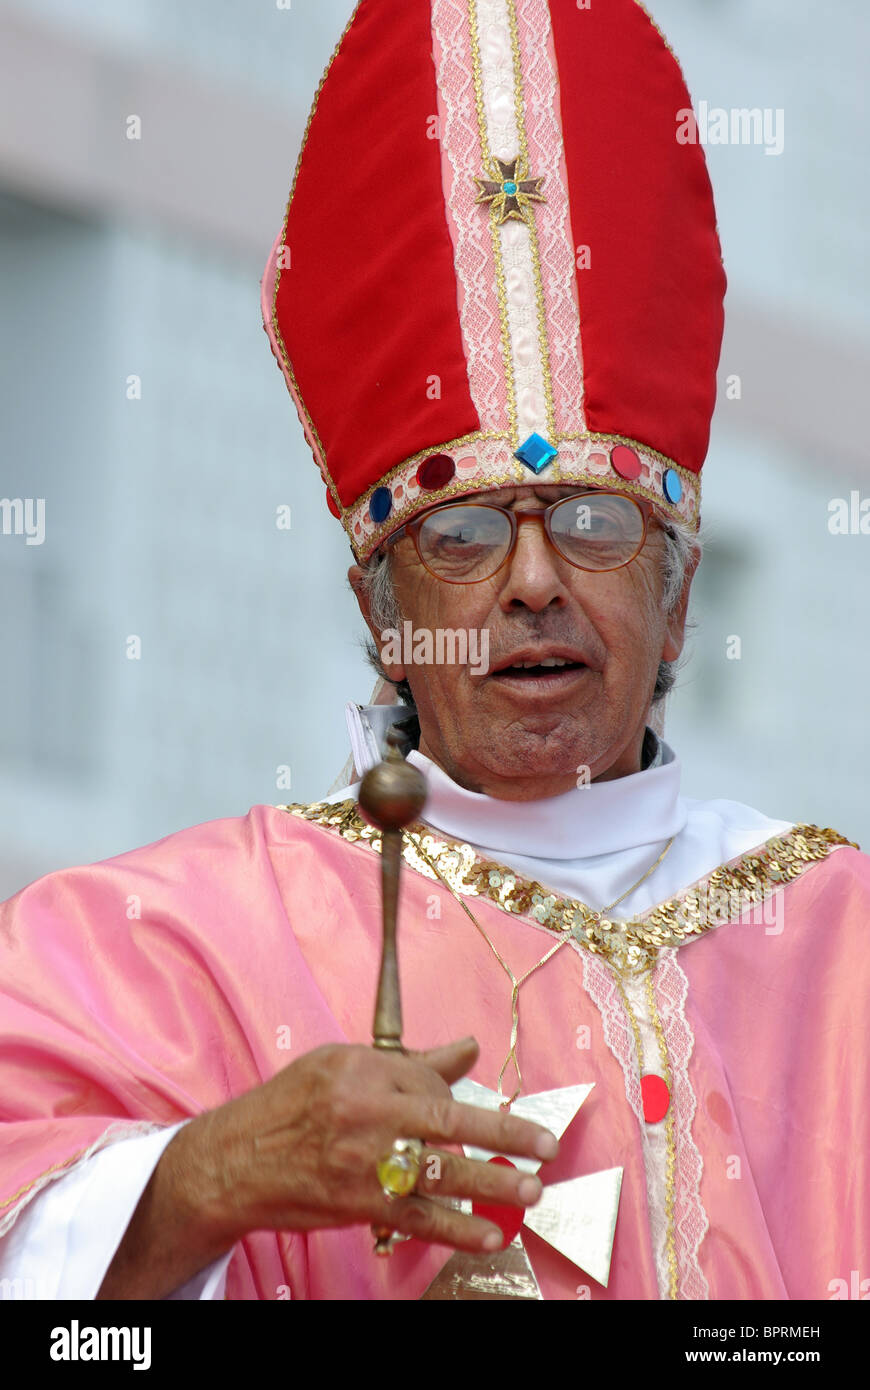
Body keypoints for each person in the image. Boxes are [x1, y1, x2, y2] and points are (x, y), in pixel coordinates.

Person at [0, 0, 867, 1302]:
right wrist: (206, 1177)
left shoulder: (839, 949)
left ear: (678, 601)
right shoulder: (162, 944)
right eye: (459, 534)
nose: (529, 584)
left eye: (588, 523)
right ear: (376, 610)